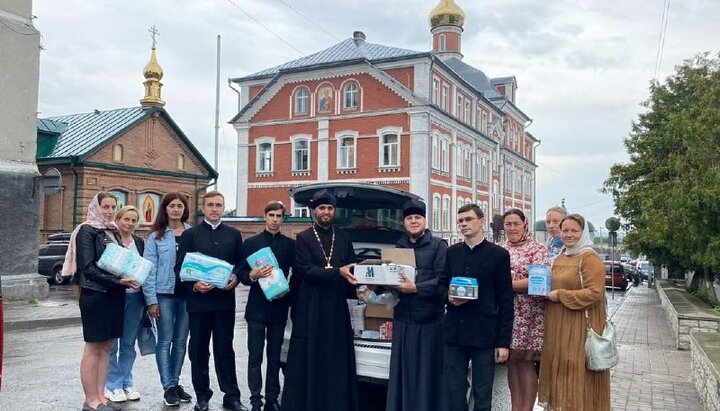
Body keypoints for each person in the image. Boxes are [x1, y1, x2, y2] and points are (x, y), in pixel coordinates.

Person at [281, 189, 359, 411]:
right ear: (314, 211)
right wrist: (338, 273)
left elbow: (351, 267)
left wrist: (364, 284)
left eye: (330, 208)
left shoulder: (344, 237)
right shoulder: (304, 237)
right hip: (311, 303)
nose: (326, 212)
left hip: (335, 304)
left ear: (334, 211)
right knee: (310, 353)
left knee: (334, 356)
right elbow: (305, 270)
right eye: (322, 208)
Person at [63, 192, 140, 411]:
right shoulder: (86, 230)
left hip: (115, 294)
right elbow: (88, 267)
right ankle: (90, 400)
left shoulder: (112, 231)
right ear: (96, 207)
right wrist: (118, 280)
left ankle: (101, 397)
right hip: (95, 295)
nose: (109, 211)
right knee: (93, 347)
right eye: (105, 206)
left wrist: (129, 276)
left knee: (106, 347)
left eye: (112, 207)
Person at [174, 191, 248, 411]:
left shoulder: (234, 234)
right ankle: (202, 395)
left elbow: (240, 265)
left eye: (219, 205)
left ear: (223, 208)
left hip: (224, 302)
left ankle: (231, 395)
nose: (215, 209)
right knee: (198, 350)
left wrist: (235, 277)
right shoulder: (190, 235)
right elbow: (180, 268)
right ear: (203, 208)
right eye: (211, 205)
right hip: (198, 303)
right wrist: (194, 285)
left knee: (225, 350)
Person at [440, 203, 513, 411]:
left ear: (481, 222)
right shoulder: (452, 252)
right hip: (455, 332)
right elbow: (442, 284)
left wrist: (503, 342)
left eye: (468, 219)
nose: (464, 224)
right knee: (454, 391)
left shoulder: (499, 255)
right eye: (460, 221)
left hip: (484, 333)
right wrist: (449, 298)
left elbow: (505, 299)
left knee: (482, 393)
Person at [538, 214, 610, 411]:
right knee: (560, 371)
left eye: (574, 231)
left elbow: (595, 293)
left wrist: (561, 295)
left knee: (577, 372)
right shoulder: (561, 256)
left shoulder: (589, 258)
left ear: (583, 232)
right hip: (557, 325)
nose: (569, 235)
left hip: (579, 326)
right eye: (565, 230)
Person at [386, 199, 447, 411]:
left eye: (417, 217)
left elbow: (442, 281)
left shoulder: (439, 246)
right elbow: (393, 278)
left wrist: (417, 288)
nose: (413, 221)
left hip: (429, 322)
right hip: (403, 320)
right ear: (404, 222)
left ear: (424, 220)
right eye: (409, 218)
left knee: (427, 376)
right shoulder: (398, 246)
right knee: (404, 374)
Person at [238, 201, 296, 411]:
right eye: (271, 215)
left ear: (283, 218)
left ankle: (272, 398)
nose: (274, 219)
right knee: (254, 356)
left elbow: (296, 275)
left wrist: (287, 291)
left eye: (278, 216)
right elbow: (241, 274)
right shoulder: (251, 243)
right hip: (255, 308)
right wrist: (252, 275)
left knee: (274, 357)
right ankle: (255, 398)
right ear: (265, 216)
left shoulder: (290, 246)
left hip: (279, 308)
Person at [143, 192, 193, 407]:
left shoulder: (193, 233)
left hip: (188, 295)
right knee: (165, 341)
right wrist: (151, 300)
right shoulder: (156, 236)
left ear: (184, 209)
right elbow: (149, 270)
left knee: (181, 343)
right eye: (172, 205)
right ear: (165, 209)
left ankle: (175, 383)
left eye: (179, 206)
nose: (176, 209)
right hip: (164, 295)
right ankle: (168, 387)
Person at [500, 209, 550, 411]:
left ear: (525, 224)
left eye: (516, 223)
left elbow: (539, 283)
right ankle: (515, 407)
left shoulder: (537, 249)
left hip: (529, 314)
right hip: (506, 313)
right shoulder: (501, 249)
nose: (512, 228)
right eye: (508, 224)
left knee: (526, 363)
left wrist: (506, 285)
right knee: (512, 362)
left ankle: (526, 408)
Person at [105, 206, 146, 403]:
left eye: (133, 220)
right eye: (126, 219)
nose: (129, 223)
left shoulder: (139, 241)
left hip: (136, 297)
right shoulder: (109, 239)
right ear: (118, 220)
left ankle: (127, 382)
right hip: (115, 296)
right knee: (112, 343)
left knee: (129, 343)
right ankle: (113, 384)